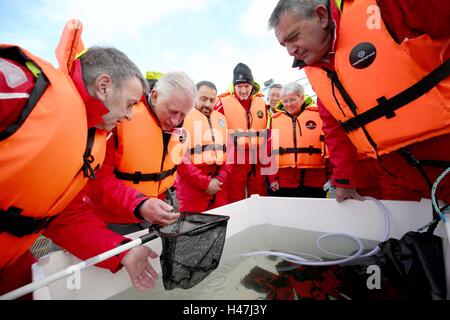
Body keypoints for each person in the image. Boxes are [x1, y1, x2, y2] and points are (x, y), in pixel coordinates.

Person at [0, 44, 152, 296]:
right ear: (103, 86)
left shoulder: (90, 140)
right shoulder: (20, 87)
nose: (129, 116)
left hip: (11, 264)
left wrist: (122, 251)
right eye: (129, 103)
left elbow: (65, 217)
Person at [268, 0, 450, 204]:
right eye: (284, 45)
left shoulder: (386, 7)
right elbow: (335, 128)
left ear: (321, 16)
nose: (290, 51)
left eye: (293, 37)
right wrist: (345, 179)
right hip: (395, 176)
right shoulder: (318, 73)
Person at [215, 63, 269, 203]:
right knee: (235, 199)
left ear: (252, 86)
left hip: (258, 161)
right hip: (234, 161)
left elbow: (269, 133)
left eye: (247, 86)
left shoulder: (262, 103)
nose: (243, 90)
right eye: (239, 86)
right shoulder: (222, 103)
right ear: (234, 87)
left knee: (260, 199)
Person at [175, 81, 231, 212]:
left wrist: (220, 178)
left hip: (219, 186)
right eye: (203, 99)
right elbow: (180, 160)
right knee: (193, 230)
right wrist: (205, 183)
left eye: (212, 100)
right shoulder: (181, 119)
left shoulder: (221, 119)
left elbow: (230, 154)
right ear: (194, 97)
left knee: (221, 228)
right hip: (192, 189)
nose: (207, 104)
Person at [268, 82, 327, 198]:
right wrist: (272, 178)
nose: (288, 104)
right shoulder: (275, 120)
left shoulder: (318, 116)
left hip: (315, 180)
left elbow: (328, 147)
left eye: (292, 100)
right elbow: (269, 152)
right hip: (285, 182)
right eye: (285, 101)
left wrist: (330, 176)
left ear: (302, 98)